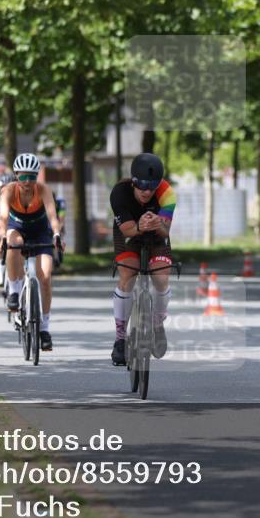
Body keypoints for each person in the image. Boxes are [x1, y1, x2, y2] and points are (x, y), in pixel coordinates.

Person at [109, 153, 176, 366]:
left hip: (156, 236)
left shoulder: (167, 193)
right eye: (142, 186)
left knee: (161, 277)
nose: (147, 191)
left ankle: (157, 323)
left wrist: (158, 224)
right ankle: (120, 338)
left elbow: (165, 232)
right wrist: (139, 226)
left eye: (152, 187)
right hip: (128, 233)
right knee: (128, 274)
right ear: (133, 182)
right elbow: (127, 230)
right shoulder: (119, 193)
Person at [0, 153, 63, 351]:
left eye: (32, 177)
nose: (27, 182)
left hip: (40, 232)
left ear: (37, 177)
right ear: (16, 175)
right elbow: (2, 218)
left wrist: (57, 234)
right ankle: (15, 292)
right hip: (17, 228)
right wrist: (1, 237)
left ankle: (44, 329)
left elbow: (53, 216)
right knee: (13, 242)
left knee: (45, 277)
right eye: (23, 177)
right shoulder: (8, 191)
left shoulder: (43, 190)